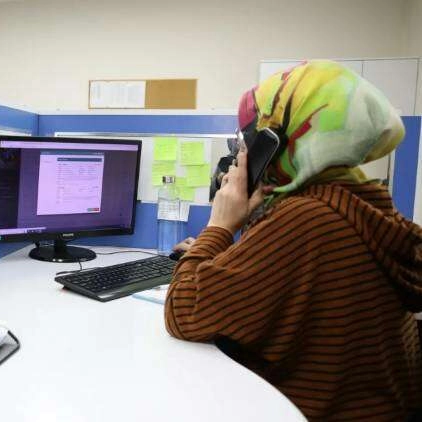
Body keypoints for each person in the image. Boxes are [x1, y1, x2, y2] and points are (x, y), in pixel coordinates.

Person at [164, 60, 422, 421]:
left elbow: (183, 312)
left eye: (250, 141)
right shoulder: (361, 201)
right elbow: (291, 277)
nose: (243, 155)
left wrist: (219, 226)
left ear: (278, 144)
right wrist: (229, 252)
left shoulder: (304, 219)